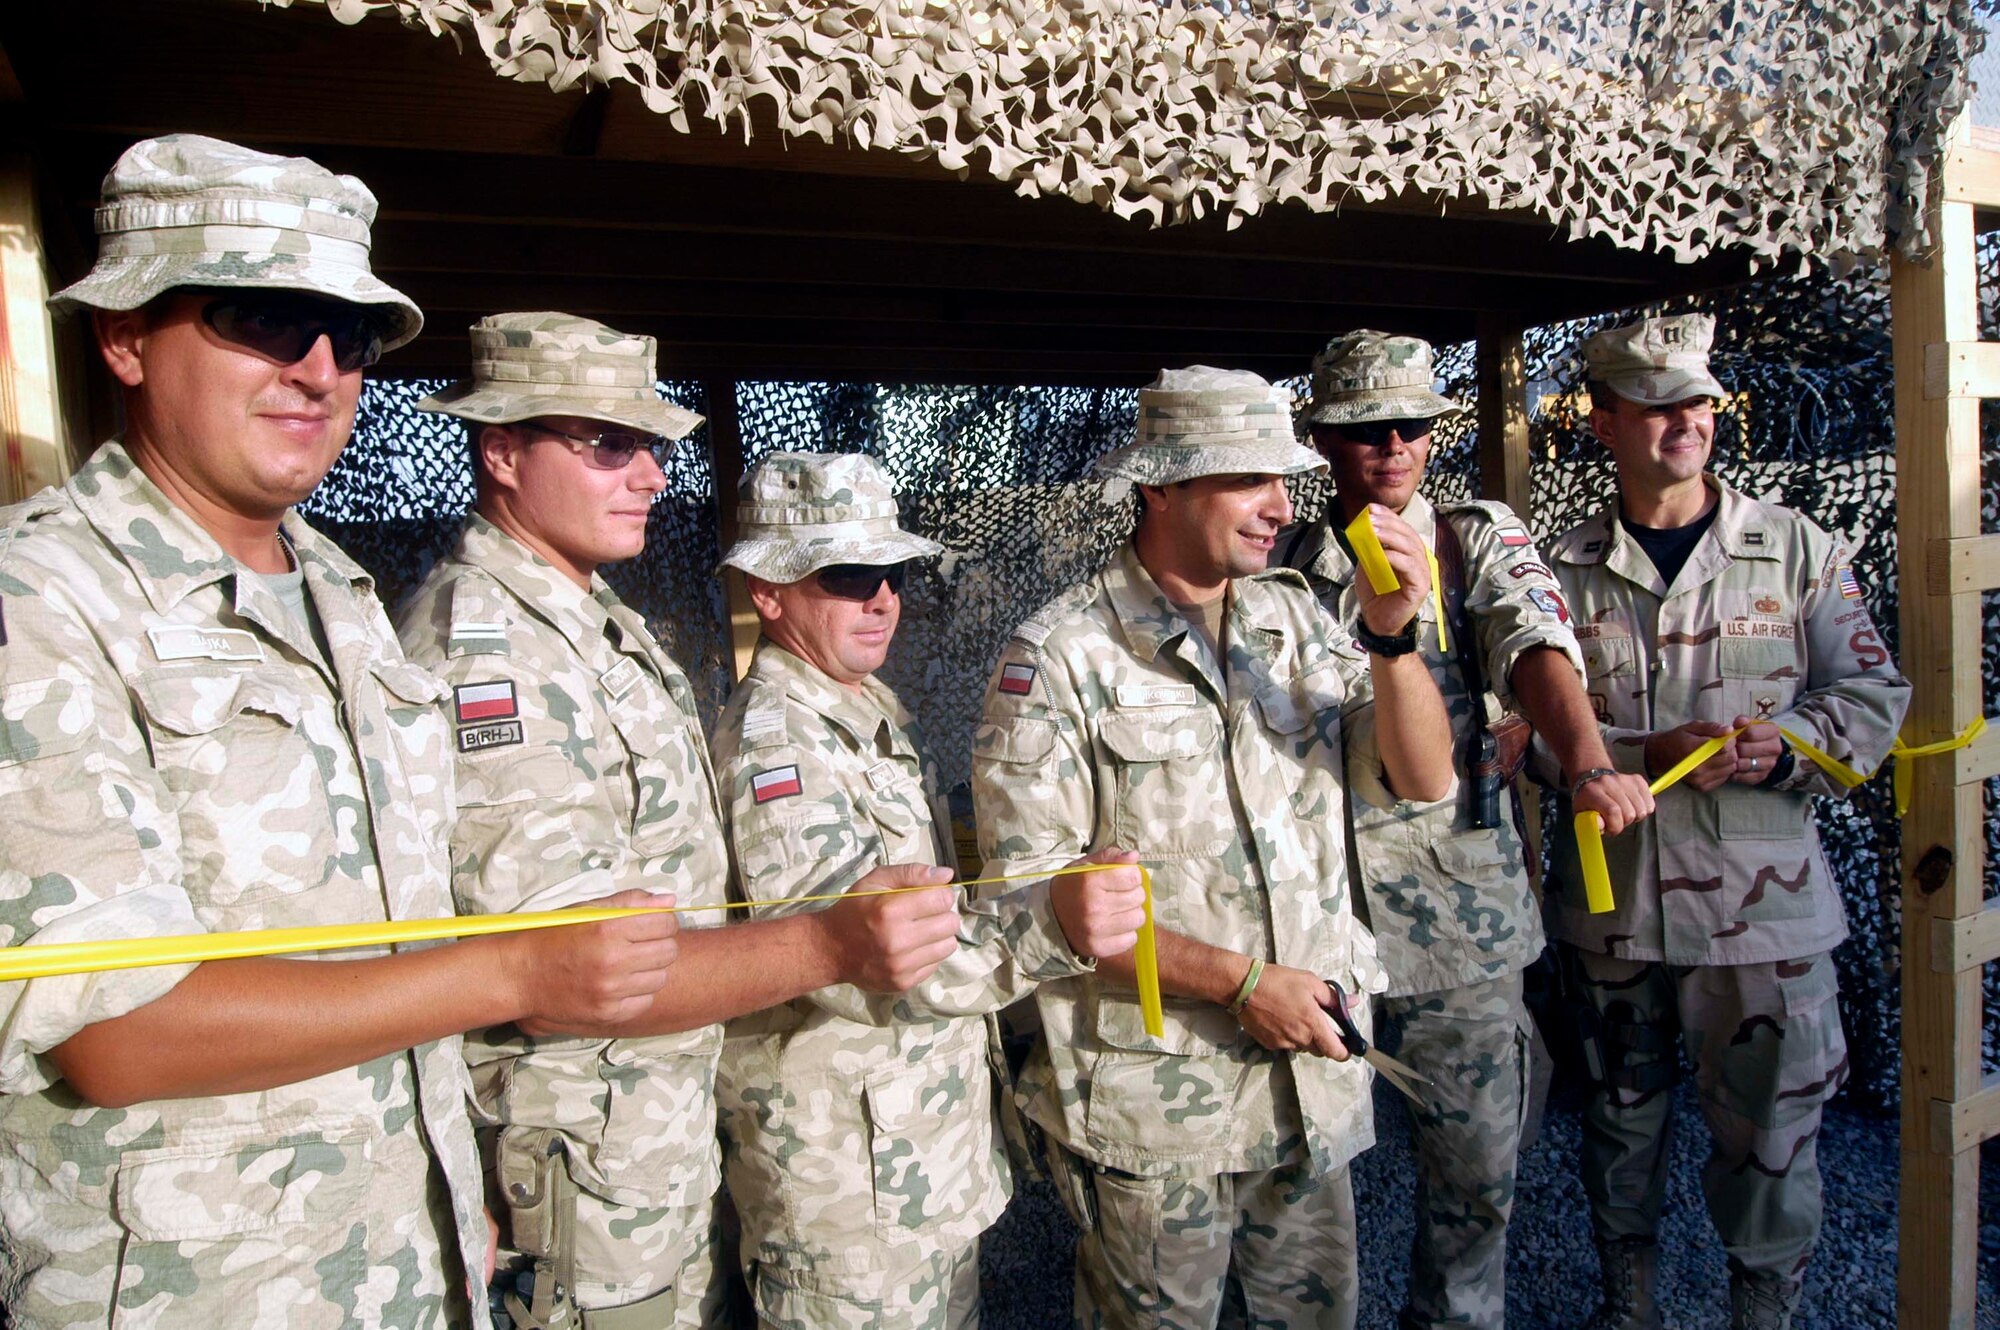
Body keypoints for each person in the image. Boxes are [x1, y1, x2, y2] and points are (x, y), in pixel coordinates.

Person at [0, 136, 682, 1330]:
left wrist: (449, 1189)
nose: (316, 368)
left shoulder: (341, 595)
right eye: (262, 316)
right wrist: (520, 968)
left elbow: (381, 956)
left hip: (409, 1268)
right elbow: (111, 1025)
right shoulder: (40, 599)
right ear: (123, 337)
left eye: (350, 335)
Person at [397, 316, 968, 1330]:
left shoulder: (592, 626)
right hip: (590, 1176)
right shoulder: (491, 655)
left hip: (652, 1148)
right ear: (499, 451)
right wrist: (833, 940)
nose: (651, 475)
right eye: (608, 443)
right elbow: (566, 973)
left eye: (653, 447)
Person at [973, 366, 1455, 1330]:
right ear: (1161, 487)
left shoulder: (1294, 620)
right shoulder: (1060, 657)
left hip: (1306, 1083)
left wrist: (1393, 638)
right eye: (1250, 480)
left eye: (1285, 479)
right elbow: (1035, 907)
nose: (1284, 505)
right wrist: (1241, 984)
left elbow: (1422, 779)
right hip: (1163, 1109)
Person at [707, 450, 1147, 1329]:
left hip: (907, 1168)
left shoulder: (865, 712)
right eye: (848, 573)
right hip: (848, 1201)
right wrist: (1052, 925)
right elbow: (871, 964)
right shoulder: (778, 750)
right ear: (767, 590)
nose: (883, 598)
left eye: (894, 571)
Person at [1277, 330, 1655, 1330]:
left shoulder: (1468, 535)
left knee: (1474, 1173)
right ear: (1321, 439)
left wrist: (1587, 762)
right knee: (1298, 1177)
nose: (1392, 446)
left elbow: (1536, 647)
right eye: (1365, 430)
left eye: (1411, 426)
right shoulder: (1279, 558)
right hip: (1309, 906)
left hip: (1455, 916)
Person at [1545, 314, 1910, 1330]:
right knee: (1617, 1131)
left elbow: (1873, 696)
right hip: (1610, 916)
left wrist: (1783, 742)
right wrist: (1625, 756)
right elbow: (1519, 736)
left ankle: (1765, 1312)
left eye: (1697, 402)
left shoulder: (1793, 550)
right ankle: (1628, 1307)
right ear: (1603, 421)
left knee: (1771, 1138)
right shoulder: (1557, 573)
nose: (1684, 422)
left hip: (1765, 924)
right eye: (1658, 405)